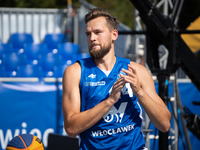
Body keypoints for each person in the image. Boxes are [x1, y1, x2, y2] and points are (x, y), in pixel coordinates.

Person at [62, 8, 171, 150]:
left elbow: (165, 124)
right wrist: (109, 101)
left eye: (97, 32)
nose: (92, 38)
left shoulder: (136, 70)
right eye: (88, 34)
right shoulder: (75, 72)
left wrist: (139, 92)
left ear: (114, 35)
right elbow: (71, 128)